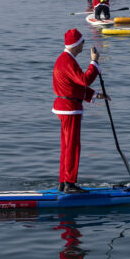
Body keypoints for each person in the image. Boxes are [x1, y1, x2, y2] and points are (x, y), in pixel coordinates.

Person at [52, 29, 105, 194]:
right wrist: (94, 63)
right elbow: (84, 80)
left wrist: (95, 94)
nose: (84, 45)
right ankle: (70, 184)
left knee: (67, 146)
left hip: (67, 107)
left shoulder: (66, 59)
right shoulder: (67, 61)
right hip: (69, 110)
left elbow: (74, 87)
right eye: (82, 42)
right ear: (76, 44)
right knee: (72, 147)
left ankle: (63, 182)